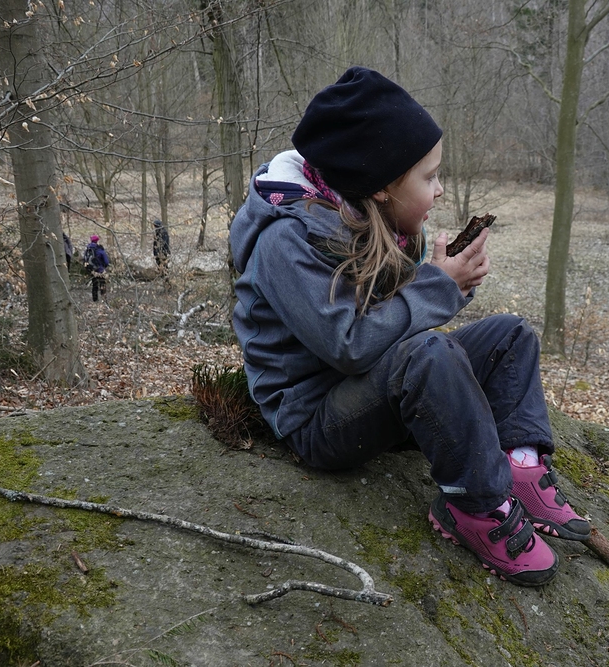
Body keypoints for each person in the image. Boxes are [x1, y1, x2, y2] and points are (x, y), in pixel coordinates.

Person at [230, 67, 590, 587]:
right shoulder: (285, 240)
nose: (440, 190)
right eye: (429, 177)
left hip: (375, 386)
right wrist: (437, 288)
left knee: (510, 334)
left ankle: (520, 463)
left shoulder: (364, 216)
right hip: (316, 416)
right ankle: (476, 506)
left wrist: (445, 278)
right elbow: (348, 344)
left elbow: (389, 314)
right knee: (430, 355)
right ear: (379, 186)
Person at [83, 234, 110, 302]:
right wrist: (103, 267)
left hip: (92, 270)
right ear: (97, 241)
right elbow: (106, 262)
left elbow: (85, 259)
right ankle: (104, 300)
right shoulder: (100, 250)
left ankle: (95, 300)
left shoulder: (88, 249)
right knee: (102, 284)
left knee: (94, 285)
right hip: (100, 270)